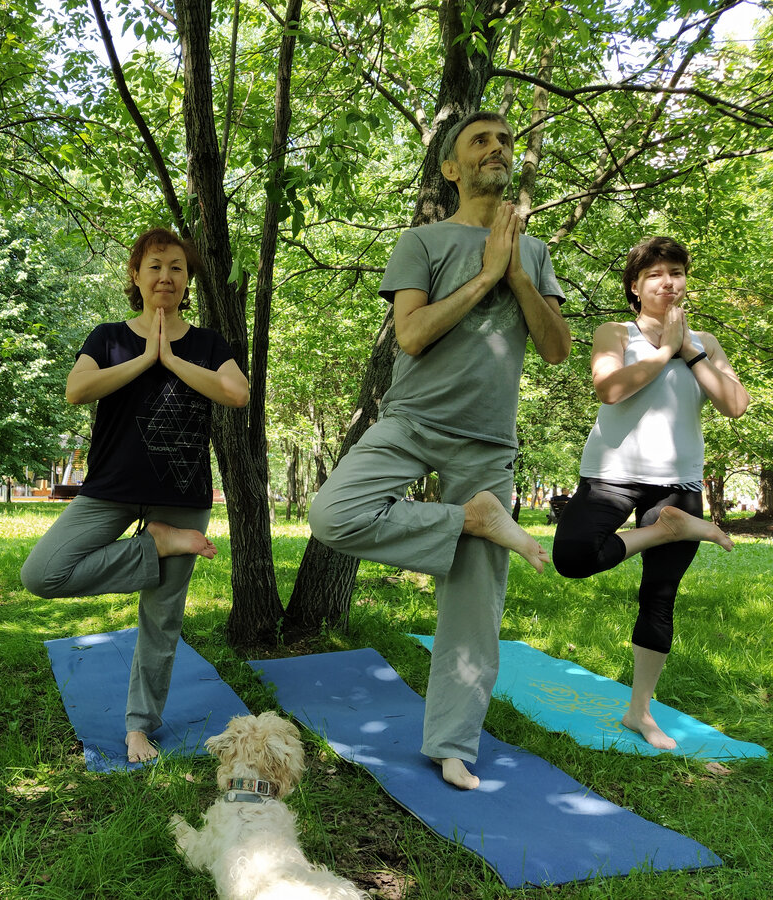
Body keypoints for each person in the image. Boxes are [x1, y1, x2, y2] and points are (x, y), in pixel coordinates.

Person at [308, 111, 572, 790]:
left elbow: (556, 349)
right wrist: (484, 277)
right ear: (452, 169)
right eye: (479, 141)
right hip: (413, 421)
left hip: (487, 441)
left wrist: (515, 274)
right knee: (334, 514)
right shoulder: (421, 241)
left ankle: (454, 742)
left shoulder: (535, 252)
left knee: (475, 600)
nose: (496, 148)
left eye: (505, 141)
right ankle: (472, 521)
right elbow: (413, 335)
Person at [20, 227, 249, 764]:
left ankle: (139, 727)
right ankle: (158, 545)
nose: (165, 276)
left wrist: (172, 360)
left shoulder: (209, 343)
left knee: (162, 621)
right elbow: (78, 390)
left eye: (175, 267)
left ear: (187, 279)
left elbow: (237, 393)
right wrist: (146, 358)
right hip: (111, 490)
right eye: (154, 266)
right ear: (136, 276)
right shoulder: (108, 338)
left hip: (181, 494)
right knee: (42, 573)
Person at [552, 236, 748, 749]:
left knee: (659, 597)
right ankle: (672, 532)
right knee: (573, 556)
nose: (669, 281)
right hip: (612, 474)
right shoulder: (614, 331)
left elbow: (734, 404)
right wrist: (664, 352)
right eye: (656, 273)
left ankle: (640, 711)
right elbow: (609, 388)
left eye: (677, 272)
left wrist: (690, 351)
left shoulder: (703, 340)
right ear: (635, 287)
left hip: (677, 479)